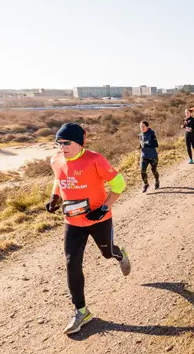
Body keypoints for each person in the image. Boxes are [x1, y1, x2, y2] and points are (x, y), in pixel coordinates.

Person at [44, 122, 130, 335]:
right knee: (71, 263)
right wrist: (55, 196)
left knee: (107, 253)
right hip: (72, 222)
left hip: (98, 219)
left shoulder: (95, 159)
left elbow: (119, 185)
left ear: (80, 142)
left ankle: (119, 254)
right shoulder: (56, 160)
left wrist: (103, 209)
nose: (62, 147)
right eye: (59, 143)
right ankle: (81, 311)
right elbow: (59, 178)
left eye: (67, 143)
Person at [139, 121, 160, 192]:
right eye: (141, 126)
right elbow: (141, 144)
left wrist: (147, 144)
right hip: (144, 156)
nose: (142, 128)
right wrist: (140, 146)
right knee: (142, 170)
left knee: (154, 170)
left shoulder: (152, 134)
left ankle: (157, 180)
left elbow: (156, 145)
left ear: (147, 127)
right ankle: (146, 184)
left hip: (152, 156)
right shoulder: (140, 135)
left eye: (143, 126)